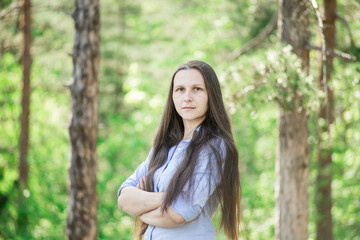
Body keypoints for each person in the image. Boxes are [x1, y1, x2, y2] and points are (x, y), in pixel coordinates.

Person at [117, 60, 241, 240]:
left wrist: (140, 207)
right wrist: (168, 197)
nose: (187, 97)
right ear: (173, 96)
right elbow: (123, 198)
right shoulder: (164, 146)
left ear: (210, 95)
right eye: (180, 89)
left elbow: (179, 214)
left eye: (197, 89)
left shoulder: (215, 147)